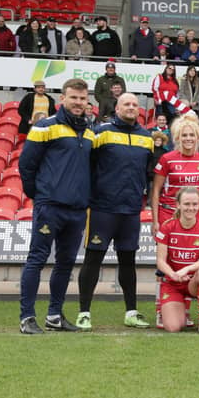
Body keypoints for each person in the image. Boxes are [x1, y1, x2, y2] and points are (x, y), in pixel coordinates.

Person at [18, 79, 95, 334]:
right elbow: (26, 165)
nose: (78, 103)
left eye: (83, 99)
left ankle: (54, 316)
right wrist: (40, 195)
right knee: (36, 260)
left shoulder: (90, 132)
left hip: (76, 210)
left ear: (87, 102)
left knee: (65, 264)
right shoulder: (44, 126)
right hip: (50, 206)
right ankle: (27, 317)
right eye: (73, 98)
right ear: (62, 98)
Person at [76, 93, 153, 331]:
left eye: (134, 104)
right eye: (126, 104)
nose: (131, 108)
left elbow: (148, 174)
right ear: (117, 108)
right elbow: (84, 165)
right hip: (102, 208)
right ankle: (84, 313)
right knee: (93, 259)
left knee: (128, 261)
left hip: (130, 210)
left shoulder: (146, 137)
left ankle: (131, 312)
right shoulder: (101, 132)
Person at [155, 187, 199, 334]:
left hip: (192, 281)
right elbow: (160, 261)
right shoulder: (167, 226)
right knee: (174, 327)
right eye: (187, 204)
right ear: (178, 205)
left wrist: (187, 269)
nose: (191, 208)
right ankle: (166, 310)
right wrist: (173, 274)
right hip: (173, 283)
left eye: (194, 204)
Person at [151, 116, 199, 233]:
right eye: (184, 135)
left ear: (198, 137)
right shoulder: (167, 158)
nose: (188, 138)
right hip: (168, 213)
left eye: (192, 135)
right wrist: (155, 221)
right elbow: (156, 190)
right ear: (177, 138)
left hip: (192, 215)